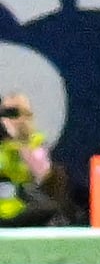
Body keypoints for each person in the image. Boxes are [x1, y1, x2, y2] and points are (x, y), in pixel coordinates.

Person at [0, 91, 59, 225]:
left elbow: (42, 175)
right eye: (3, 113)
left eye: (13, 114)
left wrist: (20, 144)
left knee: (48, 207)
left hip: (23, 205)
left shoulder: (35, 142)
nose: (6, 120)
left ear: (25, 116)